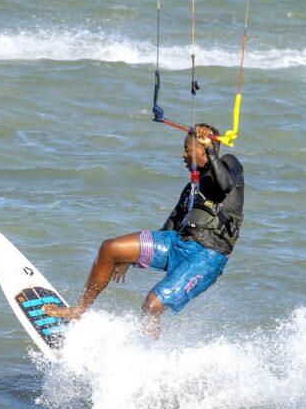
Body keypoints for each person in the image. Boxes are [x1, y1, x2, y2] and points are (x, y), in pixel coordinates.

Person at [45, 123, 244, 337]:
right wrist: (128, 259)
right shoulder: (192, 187)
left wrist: (211, 149)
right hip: (176, 244)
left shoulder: (230, 164)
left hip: (205, 258)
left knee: (151, 306)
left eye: (187, 150)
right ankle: (79, 311)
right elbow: (170, 226)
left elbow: (224, 185)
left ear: (202, 149)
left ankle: (149, 358)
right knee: (111, 249)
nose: (183, 155)